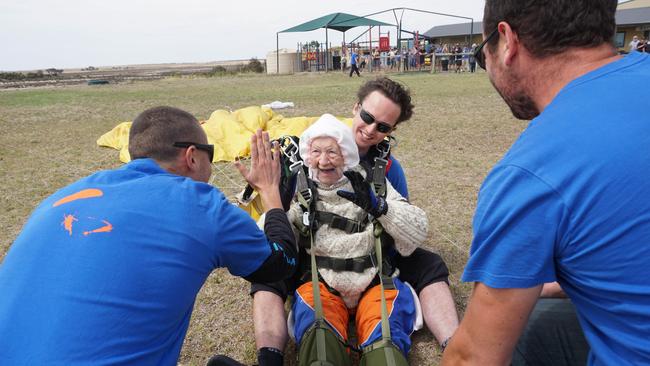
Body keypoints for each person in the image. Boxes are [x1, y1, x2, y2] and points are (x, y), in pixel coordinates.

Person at [0, 106, 297, 365]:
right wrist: (270, 192)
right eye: (212, 153)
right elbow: (280, 263)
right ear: (192, 156)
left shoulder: (62, 196)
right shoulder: (199, 204)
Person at [442, 1, 650, 365]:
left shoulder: (531, 173)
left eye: (481, 55)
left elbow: (473, 357)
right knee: (535, 315)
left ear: (506, 42)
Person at [245, 77, 459, 366]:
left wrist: (379, 207)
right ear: (356, 107)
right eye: (368, 117)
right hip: (312, 254)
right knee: (270, 271)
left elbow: (405, 229)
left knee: (429, 263)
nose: (371, 130)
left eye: (382, 127)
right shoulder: (301, 161)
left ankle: (456, 346)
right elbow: (280, 225)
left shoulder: (387, 170)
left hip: (371, 256)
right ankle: (269, 357)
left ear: (391, 131)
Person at [276, 114, 428, 363]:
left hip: (375, 284)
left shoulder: (373, 184)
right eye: (316, 152)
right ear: (307, 154)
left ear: (346, 154)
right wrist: (276, 207)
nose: (323, 161)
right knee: (319, 346)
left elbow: (418, 229)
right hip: (322, 285)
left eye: (332, 152)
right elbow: (269, 246)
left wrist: (381, 207)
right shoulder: (300, 192)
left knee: (386, 351)